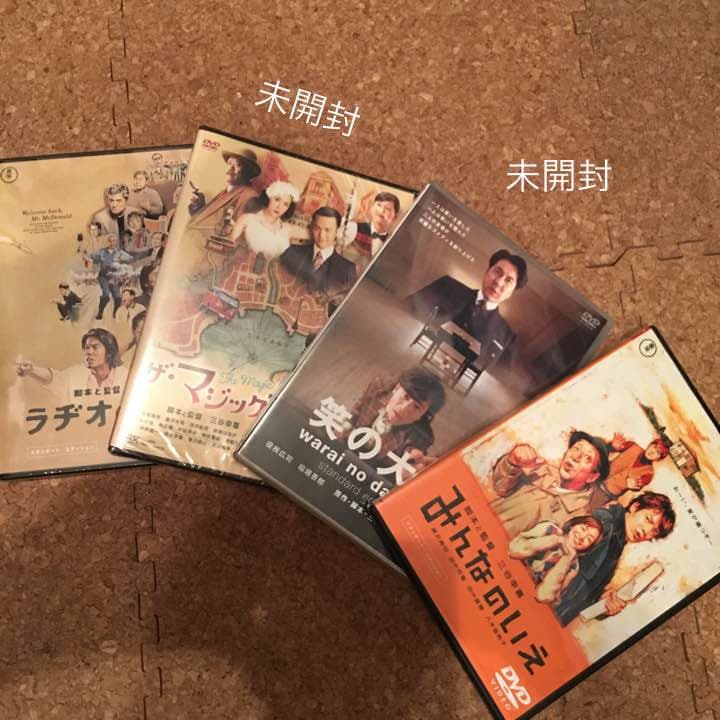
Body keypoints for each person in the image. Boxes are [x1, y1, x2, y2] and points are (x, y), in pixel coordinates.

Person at [554, 491, 675, 625]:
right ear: (635, 507)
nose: (646, 531)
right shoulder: (606, 525)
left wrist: (603, 604)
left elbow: (583, 594)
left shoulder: (616, 545)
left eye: (654, 531)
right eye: (648, 519)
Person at [408, 249, 528, 370]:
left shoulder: (506, 337)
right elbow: (406, 308)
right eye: (497, 272)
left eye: (508, 280)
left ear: (511, 293)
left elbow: (498, 374)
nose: (499, 282)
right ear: (487, 272)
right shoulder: (447, 286)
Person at [490, 430, 611, 537]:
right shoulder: (541, 469)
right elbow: (501, 488)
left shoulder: (578, 518)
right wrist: (513, 462)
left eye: (587, 458)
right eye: (576, 448)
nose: (575, 457)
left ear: (592, 477)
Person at [339, 366, 446, 483]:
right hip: (342, 450)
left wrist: (410, 467)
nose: (403, 409)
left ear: (423, 415)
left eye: (416, 407)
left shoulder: (421, 437)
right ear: (397, 388)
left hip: (367, 478)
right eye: (406, 396)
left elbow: (410, 458)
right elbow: (358, 409)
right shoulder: (378, 388)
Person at [509, 515, 604, 604]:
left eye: (589, 539)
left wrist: (567, 558)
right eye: (583, 529)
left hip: (524, 596)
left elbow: (543, 596)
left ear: (588, 548)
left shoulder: (573, 566)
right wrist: (556, 540)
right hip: (508, 569)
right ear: (573, 525)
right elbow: (513, 550)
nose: (582, 537)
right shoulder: (549, 529)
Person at [16, 328, 127, 396]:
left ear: (109, 351)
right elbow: (52, 378)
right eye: (86, 348)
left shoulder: (125, 376)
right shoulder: (75, 374)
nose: (89, 352)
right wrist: (32, 370)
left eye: (95, 347)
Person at [280, 206, 357, 294]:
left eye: (327, 230)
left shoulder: (347, 270)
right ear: (312, 228)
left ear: (337, 231)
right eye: (317, 228)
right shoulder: (292, 252)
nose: (321, 235)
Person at [588, 434, 670, 509]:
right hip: (596, 476)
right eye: (655, 447)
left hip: (606, 493)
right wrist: (613, 446)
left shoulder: (649, 473)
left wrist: (631, 485)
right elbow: (613, 448)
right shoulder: (633, 446)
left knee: (588, 509)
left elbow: (637, 486)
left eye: (658, 452)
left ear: (658, 459)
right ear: (650, 445)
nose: (653, 452)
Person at [84, 234, 151, 319]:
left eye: (114, 241)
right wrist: (87, 259)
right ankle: (100, 313)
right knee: (106, 295)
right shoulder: (101, 252)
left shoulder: (119, 252)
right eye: (110, 241)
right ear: (108, 242)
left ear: (116, 242)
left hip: (115, 278)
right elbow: (89, 257)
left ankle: (115, 314)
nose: (112, 243)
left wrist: (144, 254)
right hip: (103, 277)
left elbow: (131, 258)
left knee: (117, 297)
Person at [188, 149, 261, 226]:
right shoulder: (224, 192)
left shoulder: (249, 197)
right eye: (229, 163)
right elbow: (209, 222)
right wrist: (199, 208)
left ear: (248, 172)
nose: (229, 169)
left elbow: (236, 230)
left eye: (238, 165)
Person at [228, 181, 299, 259]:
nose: (279, 207)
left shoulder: (286, 231)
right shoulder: (247, 220)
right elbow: (228, 249)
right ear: (269, 198)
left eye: (285, 204)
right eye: (277, 199)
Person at [352, 192, 401, 258]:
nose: (382, 211)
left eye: (388, 209)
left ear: (395, 217)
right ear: (372, 208)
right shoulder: (355, 227)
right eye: (379, 205)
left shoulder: (394, 244)